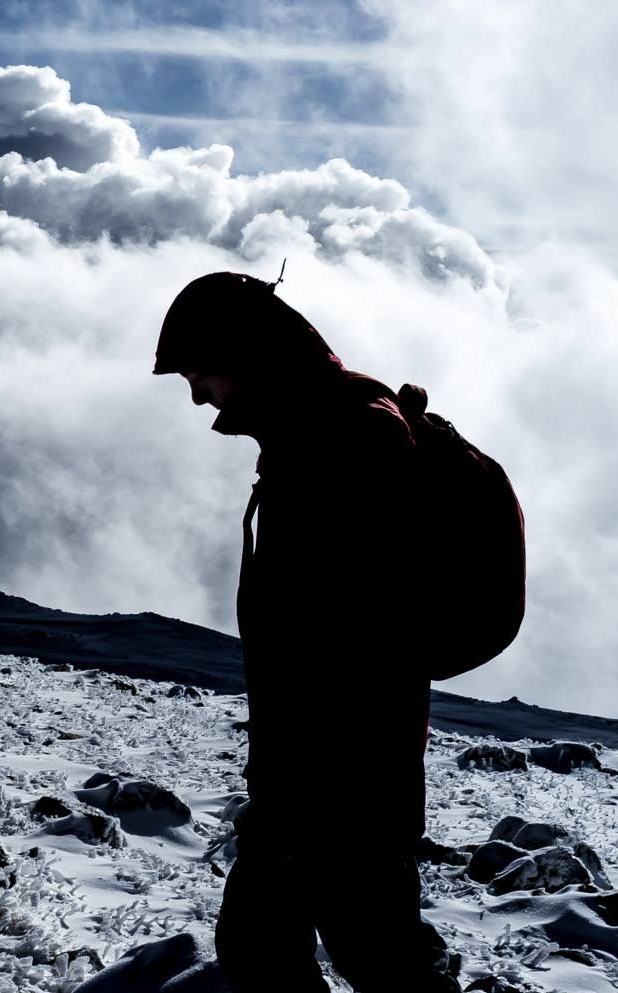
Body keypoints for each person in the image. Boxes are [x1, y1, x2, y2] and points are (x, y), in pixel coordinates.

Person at [153, 270, 461, 993]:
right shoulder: (312, 433)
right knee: (268, 942)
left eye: (199, 372)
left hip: (346, 775)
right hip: (311, 772)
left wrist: (314, 783)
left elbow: (356, 625)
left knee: (376, 954)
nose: (198, 395)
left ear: (245, 353)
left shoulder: (346, 437)